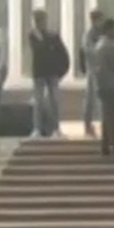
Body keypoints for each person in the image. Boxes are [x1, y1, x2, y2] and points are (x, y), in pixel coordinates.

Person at [28, 10, 70, 139]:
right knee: (38, 101)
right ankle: (37, 129)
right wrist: (47, 45)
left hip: (52, 72)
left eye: (41, 19)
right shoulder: (33, 35)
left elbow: (62, 52)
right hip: (39, 72)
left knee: (54, 101)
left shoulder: (53, 35)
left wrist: (62, 71)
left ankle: (56, 129)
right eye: (37, 20)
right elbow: (38, 49)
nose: (39, 23)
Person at [91, 17, 114, 162]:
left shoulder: (102, 45)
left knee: (107, 117)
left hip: (106, 85)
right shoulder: (106, 47)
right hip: (108, 86)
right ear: (108, 30)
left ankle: (105, 145)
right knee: (109, 117)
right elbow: (108, 69)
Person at [80, 9, 104, 138]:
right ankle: (87, 124)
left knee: (100, 98)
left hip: (102, 69)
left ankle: (103, 124)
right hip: (92, 69)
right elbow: (88, 50)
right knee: (90, 98)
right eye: (99, 19)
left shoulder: (101, 32)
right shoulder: (89, 34)